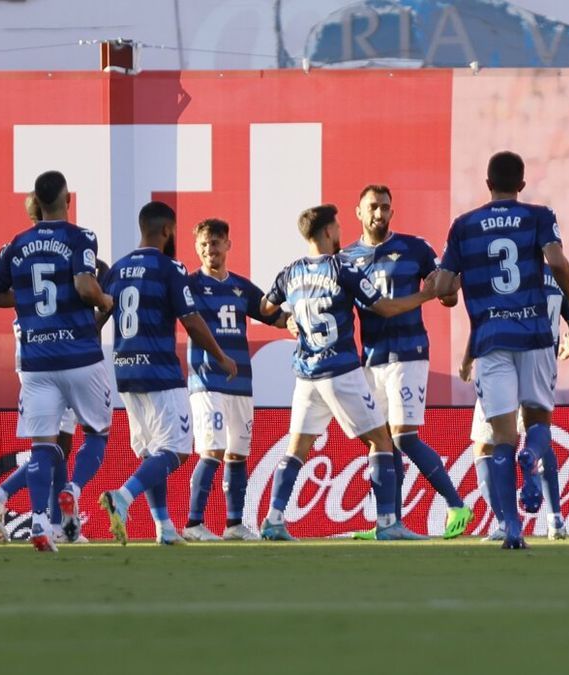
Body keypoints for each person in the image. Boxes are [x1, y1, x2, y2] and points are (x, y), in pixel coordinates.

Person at [257, 204, 443, 541]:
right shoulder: (342, 268)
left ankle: (273, 518)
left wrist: (288, 321)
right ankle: (388, 523)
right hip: (340, 371)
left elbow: (265, 308)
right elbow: (384, 308)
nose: (341, 231)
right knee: (382, 441)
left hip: (306, 375)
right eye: (338, 226)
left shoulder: (290, 272)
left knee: (296, 449)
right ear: (328, 231)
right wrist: (425, 294)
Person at [435, 151, 569, 549]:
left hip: (491, 340)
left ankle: (513, 528)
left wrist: (448, 295)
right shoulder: (539, 215)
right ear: (521, 184)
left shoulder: (464, 225)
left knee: (500, 436)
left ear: (487, 183)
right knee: (537, 424)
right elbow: (556, 261)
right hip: (535, 334)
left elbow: (444, 286)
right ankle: (530, 458)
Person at [0, 172, 115, 552]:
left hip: (36, 361)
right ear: (67, 198)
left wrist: (24, 298)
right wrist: (104, 302)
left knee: (45, 445)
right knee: (96, 434)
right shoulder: (80, 237)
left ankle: (41, 521)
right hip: (79, 354)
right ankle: (71, 490)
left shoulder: (14, 246)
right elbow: (86, 287)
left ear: (35, 203)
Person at [99, 201, 238, 546]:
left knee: (152, 451)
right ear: (167, 230)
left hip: (126, 373)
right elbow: (191, 320)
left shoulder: (116, 269)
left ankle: (164, 528)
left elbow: (98, 319)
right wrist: (220, 356)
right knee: (176, 451)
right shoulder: (169, 268)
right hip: (160, 372)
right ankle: (123, 497)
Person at [338, 185, 473, 540]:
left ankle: (457, 504)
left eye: (384, 207)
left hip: (408, 354)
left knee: (404, 436)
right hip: (370, 359)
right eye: (372, 207)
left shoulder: (415, 248)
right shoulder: (347, 258)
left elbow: (447, 294)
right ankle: (389, 521)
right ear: (358, 212)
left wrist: (447, 291)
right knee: (380, 441)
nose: (379, 214)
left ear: (392, 212)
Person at [183, 218, 286, 542]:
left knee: (237, 453)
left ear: (228, 244)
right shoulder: (190, 285)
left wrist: (297, 321)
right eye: (203, 244)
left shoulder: (242, 287)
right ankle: (193, 523)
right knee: (211, 450)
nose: (208, 249)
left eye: (214, 243)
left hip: (240, 383)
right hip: (207, 381)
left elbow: (273, 315)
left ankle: (233, 524)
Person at [465, 263, 569, 541]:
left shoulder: (503, 274)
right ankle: (555, 519)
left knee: (487, 443)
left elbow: (483, 320)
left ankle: (506, 522)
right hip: (541, 364)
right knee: (537, 434)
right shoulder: (555, 276)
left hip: (501, 363)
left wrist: (467, 360)